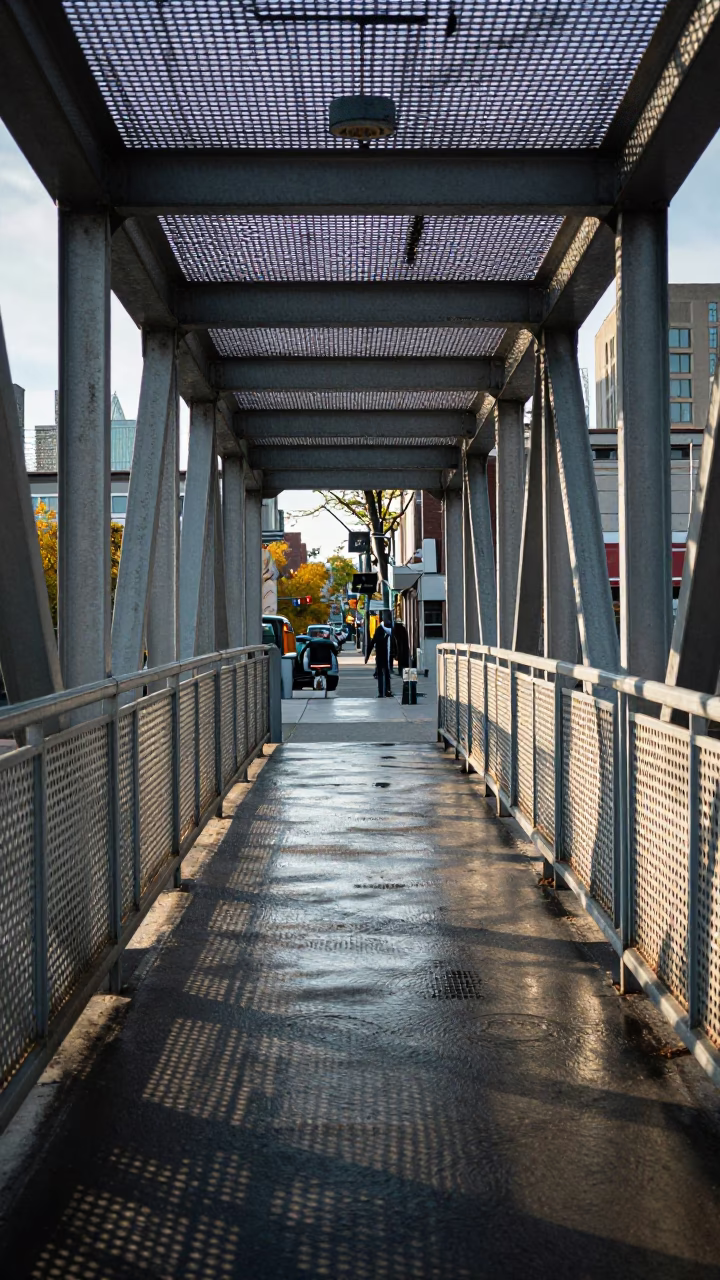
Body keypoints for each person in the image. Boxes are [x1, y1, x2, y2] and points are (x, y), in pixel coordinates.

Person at [365, 616, 393, 697]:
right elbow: (373, 642)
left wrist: (367, 656)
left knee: (383, 673)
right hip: (382, 655)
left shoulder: (379, 630)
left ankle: (383, 692)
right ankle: (385, 691)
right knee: (383, 673)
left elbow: (372, 642)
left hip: (383, 655)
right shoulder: (382, 630)